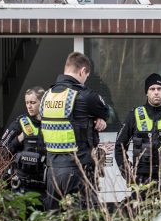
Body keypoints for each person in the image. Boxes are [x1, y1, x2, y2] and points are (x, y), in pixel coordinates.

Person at [40, 52, 111, 209]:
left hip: (52, 171)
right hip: (78, 171)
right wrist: (100, 119)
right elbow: (107, 112)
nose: (86, 80)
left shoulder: (46, 96)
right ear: (82, 71)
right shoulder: (85, 95)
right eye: (86, 76)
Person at [114, 73, 161, 197]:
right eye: (152, 89)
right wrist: (128, 174)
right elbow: (119, 146)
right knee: (142, 215)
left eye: (159, 89)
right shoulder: (134, 116)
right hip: (142, 179)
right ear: (146, 93)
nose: (156, 92)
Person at [0, 86, 47, 196]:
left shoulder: (52, 123)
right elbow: (2, 152)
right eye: (27, 102)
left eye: (33, 102)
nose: (29, 106)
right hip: (23, 184)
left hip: (46, 183)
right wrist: (19, 139)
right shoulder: (20, 122)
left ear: (43, 102)